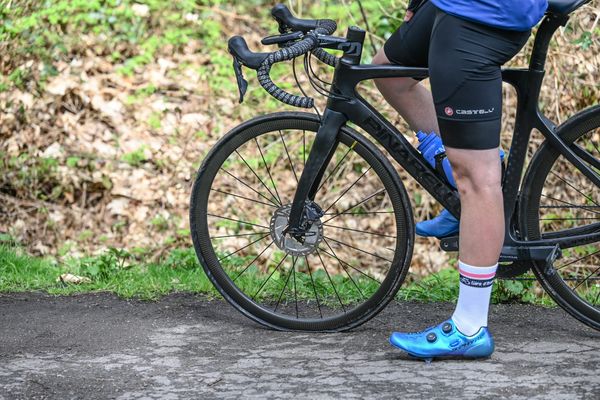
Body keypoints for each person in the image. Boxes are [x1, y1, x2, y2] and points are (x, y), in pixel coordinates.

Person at [373, 0, 548, 360]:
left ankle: (470, 326)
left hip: (479, 15)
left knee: (479, 179)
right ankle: (457, 179)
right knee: (389, 72)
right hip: (450, 5)